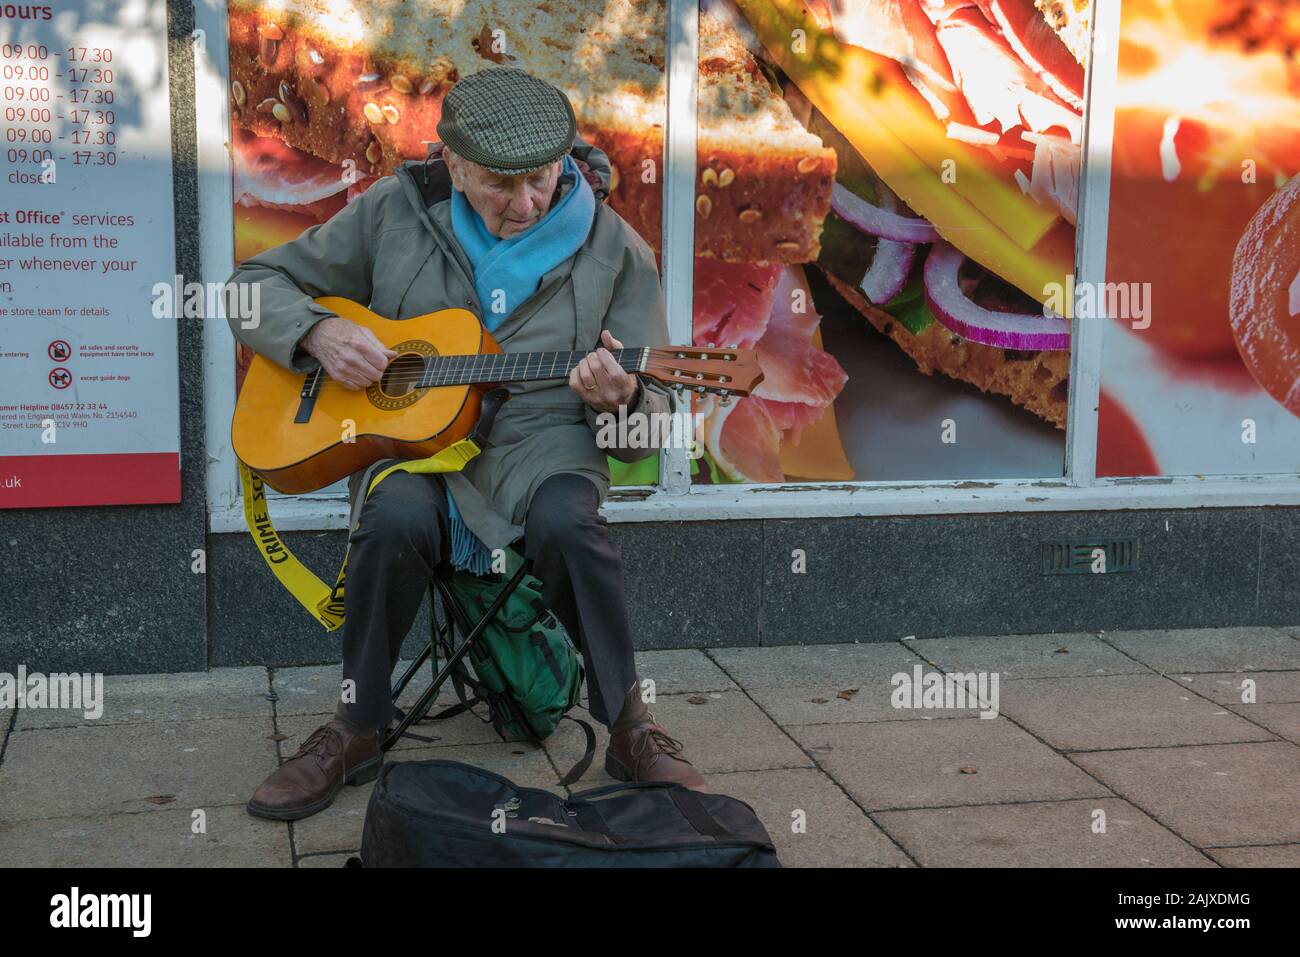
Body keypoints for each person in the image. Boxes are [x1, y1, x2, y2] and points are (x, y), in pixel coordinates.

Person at [227, 67, 707, 822]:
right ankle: (357, 726)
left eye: (541, 181)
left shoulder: (616, 249)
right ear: (451, 163)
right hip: (414, 448)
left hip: (544, 445)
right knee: (392, 519)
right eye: (497, 185)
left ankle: (630, 725)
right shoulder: (392, 211)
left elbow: (649, 431)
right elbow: (250, 286)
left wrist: (627, 401)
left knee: (572, 525)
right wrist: (315, 332)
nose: (524, 205)